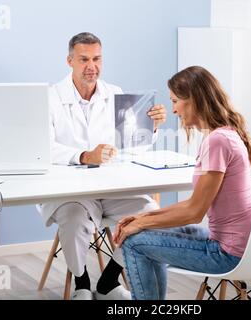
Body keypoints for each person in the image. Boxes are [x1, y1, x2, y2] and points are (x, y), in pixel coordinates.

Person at [38, 32, 167, 300]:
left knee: (150, 214)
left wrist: (151, 128)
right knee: (73, 219)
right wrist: (85, 156)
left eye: (97, 59)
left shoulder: (115, 93)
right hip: (70, 192)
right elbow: (42, 148)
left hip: (110, 188)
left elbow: (130, 145)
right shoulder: (50, 97)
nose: (91, 66)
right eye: (84, 59)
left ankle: (108, 281)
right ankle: (81, 282)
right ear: (69, 60)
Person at [113, 66, 251, 300]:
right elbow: (194, 204)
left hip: (227, 253)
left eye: (175, 101)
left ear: (194, 100)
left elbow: (194, 212)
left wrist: (139, 225)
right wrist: (142, 219)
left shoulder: (217, 141)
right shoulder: (225, 134)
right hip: (244, 245)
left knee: (134, 242)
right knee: (144, 231)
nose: (173, 110)